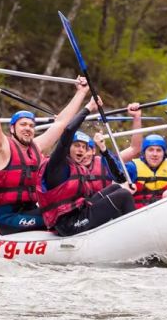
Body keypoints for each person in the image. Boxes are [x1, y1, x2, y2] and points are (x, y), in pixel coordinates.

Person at [0, 65, 91, 234]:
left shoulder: (35, 147)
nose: (28, 128)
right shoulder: (2, 147)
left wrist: (81, 93)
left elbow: (60, 123)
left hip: (31, 209)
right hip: (9, 218)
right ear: (12, 128)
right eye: (23, 124)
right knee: (57, 218)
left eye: (31, 125)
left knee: (66, 211)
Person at [36, 97, 136, 236]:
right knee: (124, 195)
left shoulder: (76, 166)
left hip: (79, 212)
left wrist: (103, 149)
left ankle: (123, 229)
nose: (81, 150)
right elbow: (68, 130)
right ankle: (134, 234)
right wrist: (89, 107)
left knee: (116, 188)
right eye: (76, 146)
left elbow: (118, 177)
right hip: (68, 223)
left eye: (84, 147)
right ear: (67, 148)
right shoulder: (56, 163)